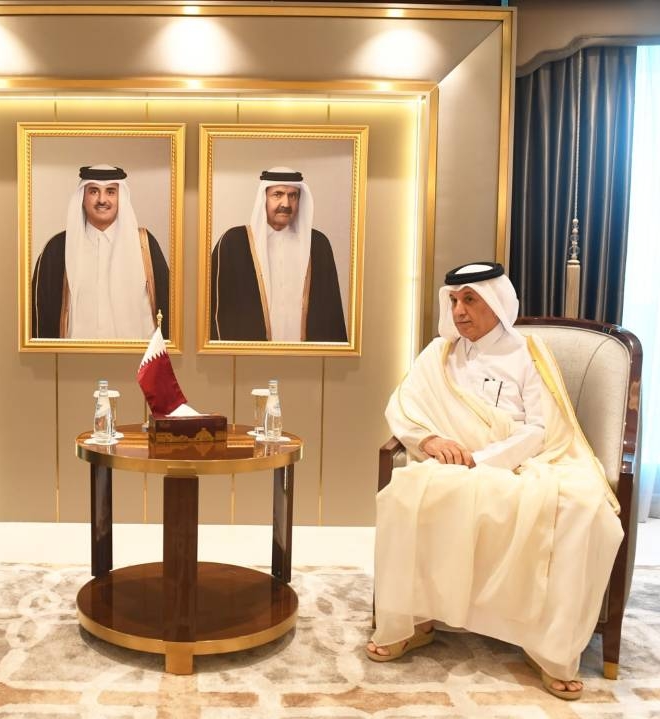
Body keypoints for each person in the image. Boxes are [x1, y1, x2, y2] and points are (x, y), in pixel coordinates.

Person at [367, 261, 623, 702]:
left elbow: (540, 429)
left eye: (470, 300)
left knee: (581, 509)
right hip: (451, 462)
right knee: (407, 493)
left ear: (497, 301)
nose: (459, 311)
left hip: (523, 462)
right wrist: (429, 439)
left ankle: (548, 647)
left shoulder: (528, 353)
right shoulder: (439, 353)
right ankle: (415, 621)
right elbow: (403, 407)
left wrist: (483, 461)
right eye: (454, 300)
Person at [31, 164, 169, 339]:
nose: (102, 200)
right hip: (74, 355)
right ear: (82, 197)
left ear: (121, 198)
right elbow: (39, 317)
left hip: (137, 355)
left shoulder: (144, 245)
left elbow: (168, 307)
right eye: (94, 191)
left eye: (110, 192)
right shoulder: (57, 249)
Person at [209, 167, 347, 342]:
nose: (286, 204)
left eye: (293, 196)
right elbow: (215, 310)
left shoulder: (318, 245)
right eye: (277, 194)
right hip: (250, 355)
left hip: (306, 355)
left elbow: (332, 311)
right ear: (264, 198)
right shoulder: (233, 243)